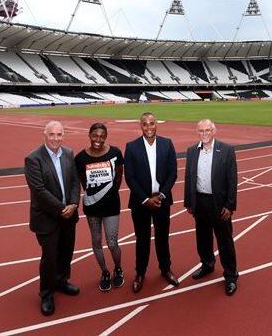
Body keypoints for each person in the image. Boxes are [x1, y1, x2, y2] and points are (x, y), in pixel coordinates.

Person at [24, 120, 81, 316]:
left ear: (63, 135)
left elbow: (75, 182)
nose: (55, 138)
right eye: (52, 134)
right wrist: (62, 208)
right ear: (44, 135)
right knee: (50, 257)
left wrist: (73, 204)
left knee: (66, 251)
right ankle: (46, 294)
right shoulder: (33, 159)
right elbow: (39, 191)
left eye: (59, 134)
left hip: (68, 214)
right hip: (47, 217)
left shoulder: (69, 153)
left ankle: (61, 281)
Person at [124, 112, 179, 293]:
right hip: (141, 202)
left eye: (152, 123)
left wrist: (161, 195)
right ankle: (140, 273)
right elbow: (130, 177)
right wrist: (145, 199)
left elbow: (173, 173)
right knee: (142, 239)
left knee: (163, 237)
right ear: (141, 126)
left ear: (156, 124)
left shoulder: (167, 143)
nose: (149, 127)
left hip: (162, 200)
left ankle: (166, 269)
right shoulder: (131, 147)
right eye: (145, 124)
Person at [184, 119, 239, 296]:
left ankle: (231, 275)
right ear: (197, 132)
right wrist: (189, 202)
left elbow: (232, 180)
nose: (205, 133)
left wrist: (230, 205)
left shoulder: (227, 150)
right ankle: (207, 265)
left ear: (214, 131)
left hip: (220, 204)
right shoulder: (192, 151)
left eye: (208, 130)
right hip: (200, 202)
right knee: (203, 238)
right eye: (201, 131)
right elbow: (189, 178)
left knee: (225, 241)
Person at [75, 123, 124, 292]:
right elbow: (82, 181)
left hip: (111, 205)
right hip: (92, 206)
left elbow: (119, 176)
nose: (98, 139)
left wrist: (109, 194)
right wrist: (94, 194)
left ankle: (118, 268)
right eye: (95, 136)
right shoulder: (80, 158)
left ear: (106, 137)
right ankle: (105, 272)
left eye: (102, 136)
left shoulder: (115, 153)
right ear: (89, 135)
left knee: (112, 243)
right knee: (96, 241)